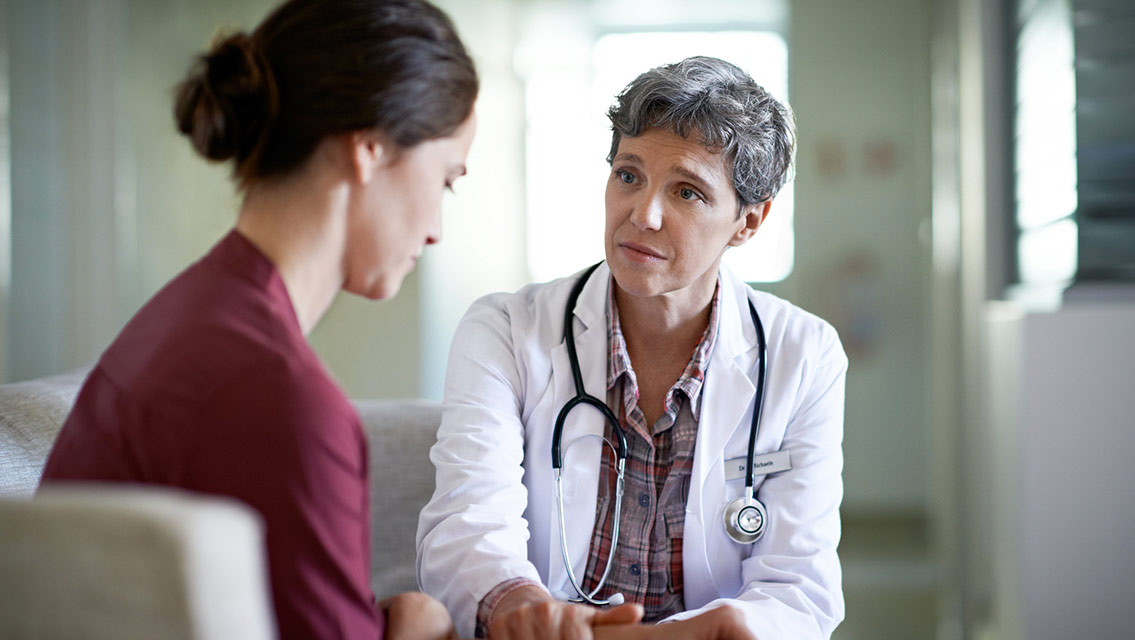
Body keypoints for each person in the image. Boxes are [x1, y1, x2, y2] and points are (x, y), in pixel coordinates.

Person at [39, 0, 477, 638]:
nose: (437, 230)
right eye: (445, 180)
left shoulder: (189, 314)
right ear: (370, 148)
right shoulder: (280, 397)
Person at [416, 56, 846, 639]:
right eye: (628, 175)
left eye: (687, 192)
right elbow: (467, 528)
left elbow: (797, 588)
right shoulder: (505, 330)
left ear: (749, 221)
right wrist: (518, 602)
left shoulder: (805, 355)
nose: (642, 214)